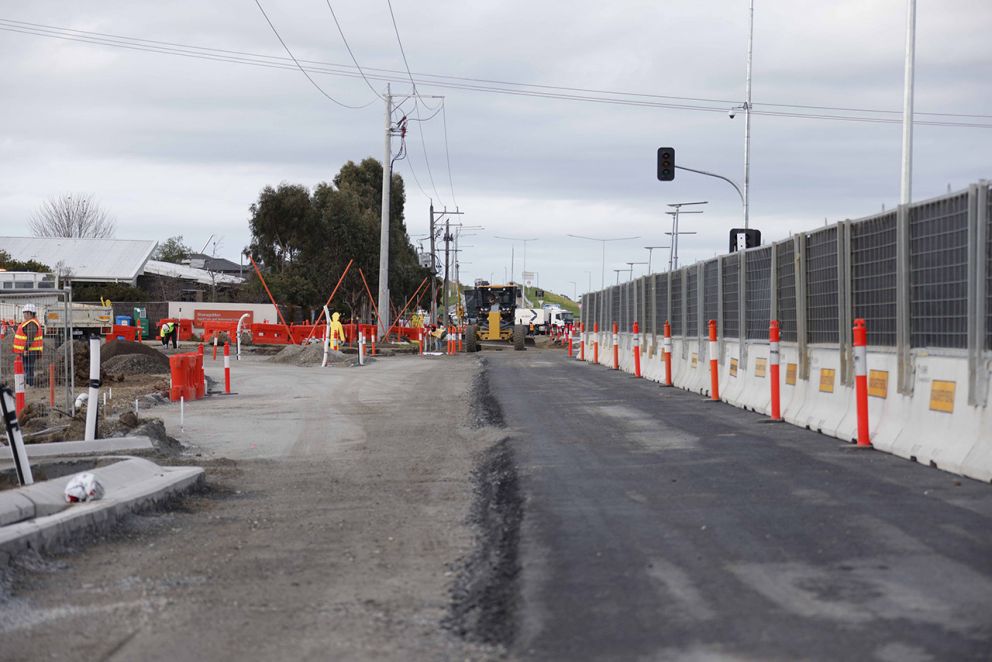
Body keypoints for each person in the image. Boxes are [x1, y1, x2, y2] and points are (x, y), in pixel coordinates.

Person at [14, 304, 44, 386]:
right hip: (29, 350)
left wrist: (25, 349)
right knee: (27, 368)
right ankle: (28, 384)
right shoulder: (28, 323)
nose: (24, 315)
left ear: (31, 313)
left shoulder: (32, 323)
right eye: (24, 313)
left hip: (29, 351)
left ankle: (29, 384)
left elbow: (30, 338)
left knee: (28, 368)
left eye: (26, 313)